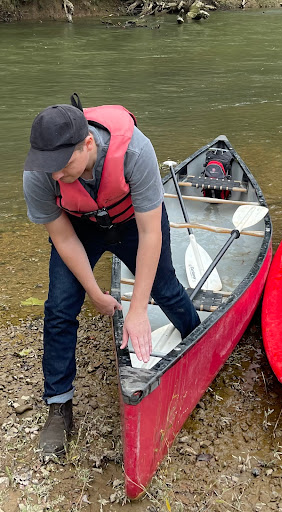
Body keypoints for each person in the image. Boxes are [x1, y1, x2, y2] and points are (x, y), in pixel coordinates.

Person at [23, 95, 200, 457]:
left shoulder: (135, 150)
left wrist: (137, 310)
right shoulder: (39, 176)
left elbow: (152, 233)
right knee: (58, 308)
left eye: (62, 163)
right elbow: (62, 237)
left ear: (87, 143)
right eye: (48, 165)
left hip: (134, 223)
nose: (55, 174)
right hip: (81, 226)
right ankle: (59, 405)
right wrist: (93, 291)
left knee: (165, 290)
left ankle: (196, 342)